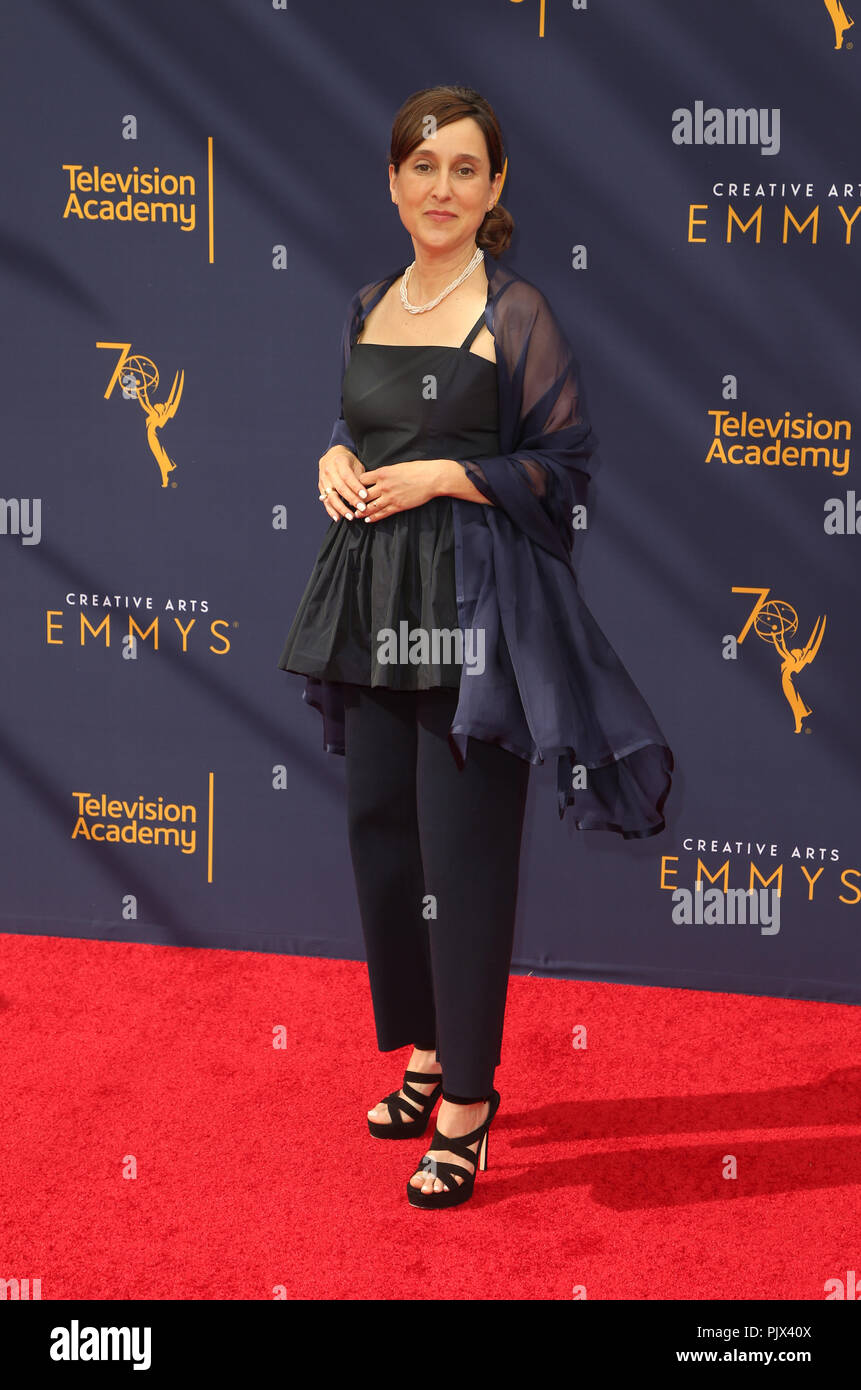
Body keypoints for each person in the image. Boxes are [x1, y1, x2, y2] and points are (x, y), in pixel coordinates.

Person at [277, 85, 673, 1210]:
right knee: (385, 836)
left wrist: (454, 475)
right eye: (421, 166)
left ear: (495, 188)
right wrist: (330, 463)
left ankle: (470, 1105)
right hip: (370, 599)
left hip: (475, 609)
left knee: (464, 854)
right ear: (393, 184)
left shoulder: (518, 313)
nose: (440, 187)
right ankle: (427, 1052)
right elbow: (363, 426)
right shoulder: (369, 301)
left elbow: (567, 470)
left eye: (463, 168)